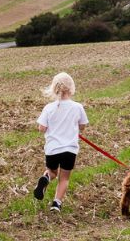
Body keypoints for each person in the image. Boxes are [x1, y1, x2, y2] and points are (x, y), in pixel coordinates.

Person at [32, 72, 89, 212]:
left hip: (52, 149)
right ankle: (57, 203)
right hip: (70, 149)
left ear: (54, 88)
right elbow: (82, 126)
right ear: (71, 88)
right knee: (64, 178)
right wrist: (75, 128)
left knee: (52, 172)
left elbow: (41, 128)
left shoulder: (49, 108)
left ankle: (46, 178)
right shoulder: (77, 107)